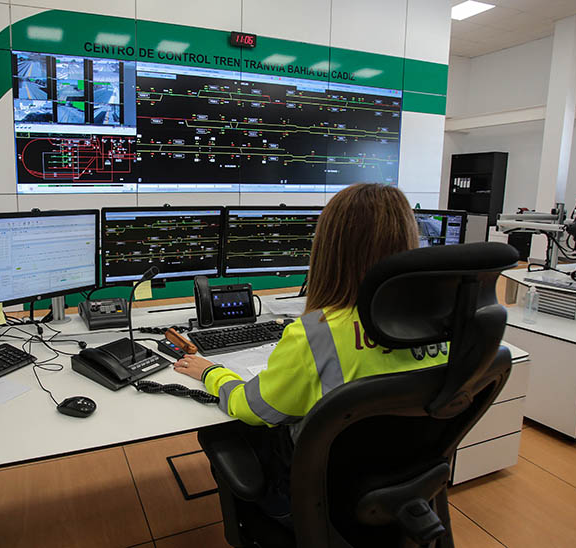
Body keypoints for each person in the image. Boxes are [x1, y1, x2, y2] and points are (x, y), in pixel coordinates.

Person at [172, 183, 449, 524]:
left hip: (318, 492)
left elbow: (255, 408)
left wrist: (209, 373)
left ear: (330, 248)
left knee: (224, 430)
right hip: (406, 482)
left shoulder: (317, 333)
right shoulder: (443, 324)